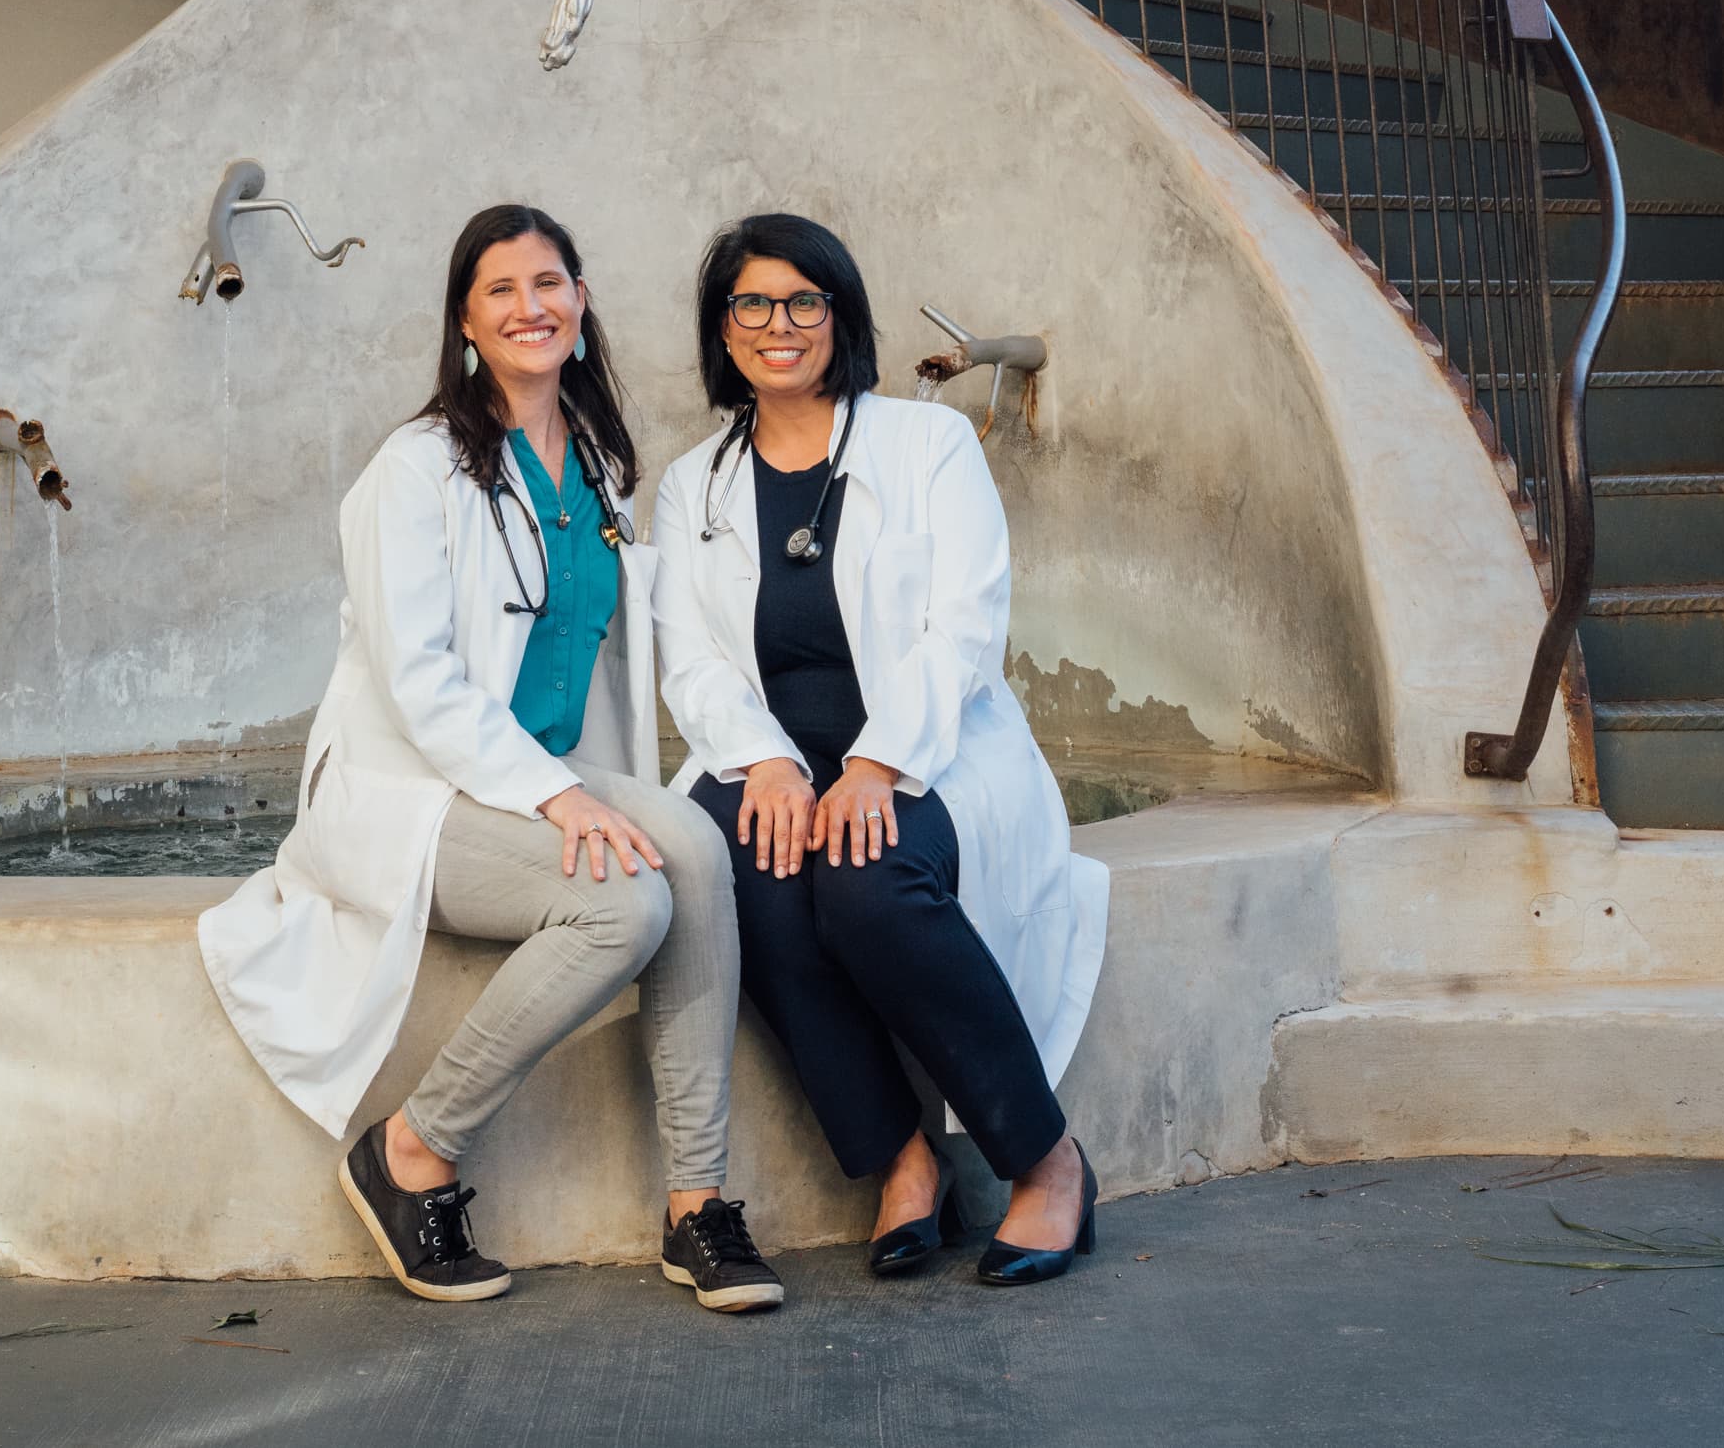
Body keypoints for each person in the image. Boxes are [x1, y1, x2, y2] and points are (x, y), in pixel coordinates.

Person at [198, 204, 781, 1312]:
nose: (532, 306)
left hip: (531, 779)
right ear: (466, 321)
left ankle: (696, 1203)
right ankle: (412, 1147)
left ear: (581, 300)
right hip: (407, 788)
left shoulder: (599, 470)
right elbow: (418, 679)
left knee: (696, 849)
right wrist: (558, 797)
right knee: (624, 909)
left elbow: (631, 647)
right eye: (502, 289)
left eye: (550, 281)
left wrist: (756, 751)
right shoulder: (413, 469)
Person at [650, 212, 1110, 1286]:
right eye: (751, 303)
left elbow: (966, 625)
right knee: (740, 870)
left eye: (802, 300)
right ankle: (903, 1157)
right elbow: (692, 660)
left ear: (837, 315)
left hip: (928, 752)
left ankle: (1044, 1162)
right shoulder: (692, 483)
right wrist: (764, 762)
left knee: (864, 879)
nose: (778, 323)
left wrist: (874, 764)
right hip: (767, 756)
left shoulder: (926, 442)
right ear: (723, 329)